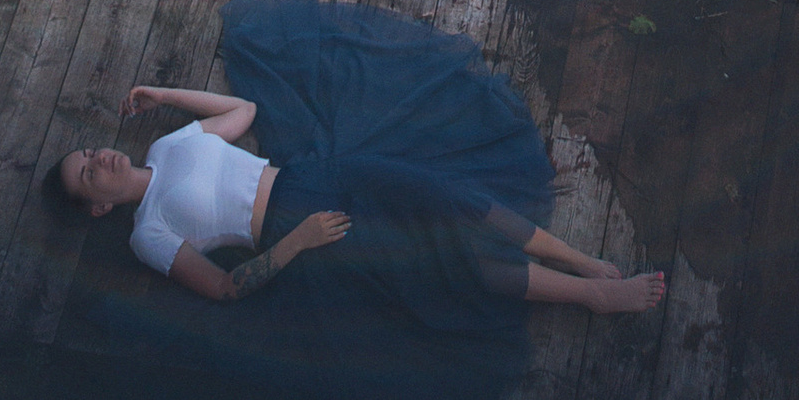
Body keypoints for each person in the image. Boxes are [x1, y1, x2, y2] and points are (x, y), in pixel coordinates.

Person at [53, 78, 665, 314]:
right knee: (445, 264)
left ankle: (577, 258)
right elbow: (224, 288)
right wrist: (299, 240)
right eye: (88, 175)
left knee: (448, 197)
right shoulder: (147, 234)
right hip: (299, 227)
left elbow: (245, 111)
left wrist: (165, 94)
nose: (98, 159)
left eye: (88, 152)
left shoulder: (167, 146)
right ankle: (592, 295)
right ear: (100, 205)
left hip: (312, 175)